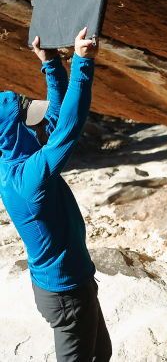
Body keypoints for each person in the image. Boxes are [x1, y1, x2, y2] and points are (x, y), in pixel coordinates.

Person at [0, 28, 111, 362]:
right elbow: (68, 127)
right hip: (66, 293)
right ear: (15, 130)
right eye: (26, 117)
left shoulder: (14, 155)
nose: (36, 122)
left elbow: (56, 115)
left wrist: (50, 62)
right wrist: (82, 62)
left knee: (100, 355)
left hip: (72, 283)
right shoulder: (27, 180)